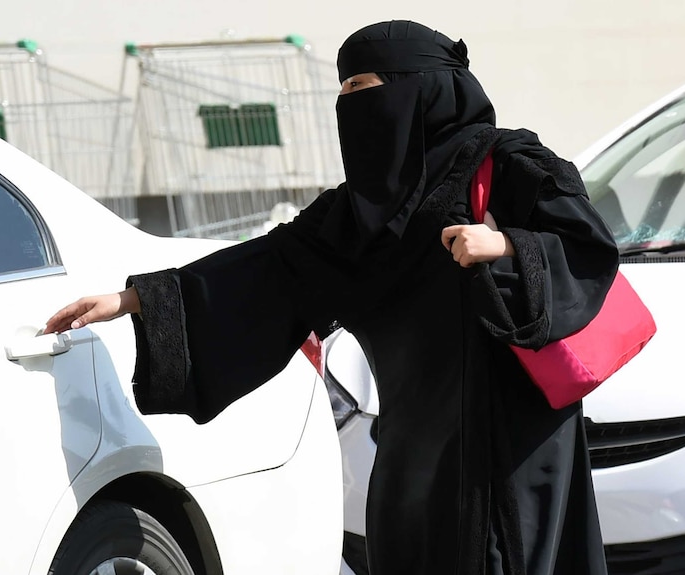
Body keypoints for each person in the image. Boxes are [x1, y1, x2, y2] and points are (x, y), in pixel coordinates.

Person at [45, 20, 618, 575]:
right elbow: (268, 268)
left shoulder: (510, 162)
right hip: (412, 446)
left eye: (366, 87)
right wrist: (136, 300)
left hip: (511, 436)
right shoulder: (357, 211)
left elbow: (587, 248)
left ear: (420, 87)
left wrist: (505, 245)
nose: (352, 103)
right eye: (343, 89)